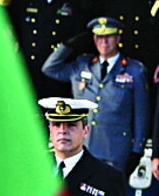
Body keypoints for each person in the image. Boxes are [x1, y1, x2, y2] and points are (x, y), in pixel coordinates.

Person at [42, 16, 150, 173]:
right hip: (83, 150)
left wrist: (137, 150)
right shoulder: (82, 65)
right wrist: (67, 46)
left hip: (115, 153)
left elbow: (141, 115)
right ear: (94, 38)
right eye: (99, 37)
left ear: (118, 38)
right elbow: (50, 68)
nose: (104, 42)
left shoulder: (135, 71)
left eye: (109, 37)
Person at [0, 0, 84, 98]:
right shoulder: (26, 0)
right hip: (30, 76)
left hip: (57, 78)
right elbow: (0, 8)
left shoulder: (70, 2)